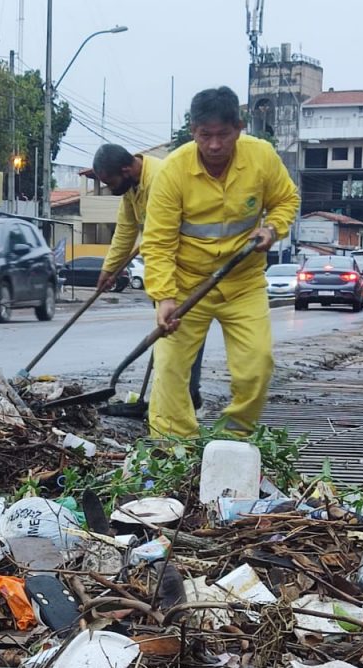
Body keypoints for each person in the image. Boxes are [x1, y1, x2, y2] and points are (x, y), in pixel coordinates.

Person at [142, 86, 299, 439]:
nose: (214, 145)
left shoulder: (261, 157)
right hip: (187, 284)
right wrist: (164, 297)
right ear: (192, 131)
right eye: (205, 135)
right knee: (170, 368)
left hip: (242, 282)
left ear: (239, 128)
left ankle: (234, 440)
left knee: (256, 365)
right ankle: (174, 446)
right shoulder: (172, 172)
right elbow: (158, 241)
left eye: (223, 135)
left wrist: (272, 228)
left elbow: (286, 199)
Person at [88, 143, 205, 410]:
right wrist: (109, 269)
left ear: (125, 170)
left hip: (188, 265)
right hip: (166, 268)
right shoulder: (132, 187)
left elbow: (161, 237)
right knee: (170, 332)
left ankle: (187, 394)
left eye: (110, 183)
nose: (109, 189)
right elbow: (125, 230)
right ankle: (176, 395)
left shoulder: (162, 178)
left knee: (184, 330)